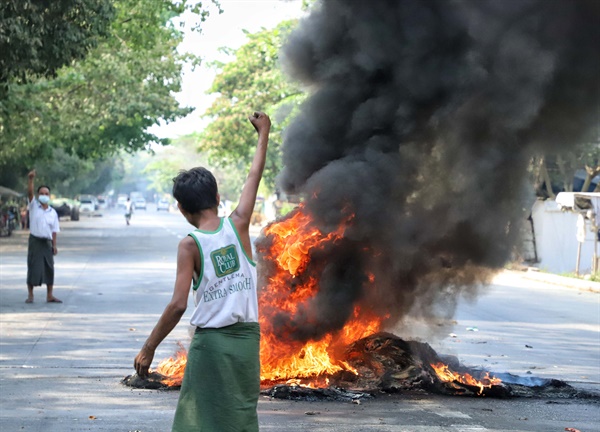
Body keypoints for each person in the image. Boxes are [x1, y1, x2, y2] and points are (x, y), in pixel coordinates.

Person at [134, 111, 270, 432]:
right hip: (246, 344)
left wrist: (149, 347)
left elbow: (178, 305)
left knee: (199, 422)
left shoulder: (189, 245)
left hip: (211, 346)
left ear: (182, 209)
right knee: (240, 417)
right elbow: (254, 175)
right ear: (218, 198)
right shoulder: (239, 225)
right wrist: (263, 131)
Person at [26, 169, 62, 303]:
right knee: (33, 267)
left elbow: (54, 230)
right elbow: (29, 193)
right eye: (41, 193)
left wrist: (54, 245)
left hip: (47, 242)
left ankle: (50, 295)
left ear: (49, 196)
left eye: (46, 194)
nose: (44, 195)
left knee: (49, 268)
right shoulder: (34, 206)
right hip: (35, 241)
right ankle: (30, 295)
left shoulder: (53, 213)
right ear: (38, 195)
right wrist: (30, 180)